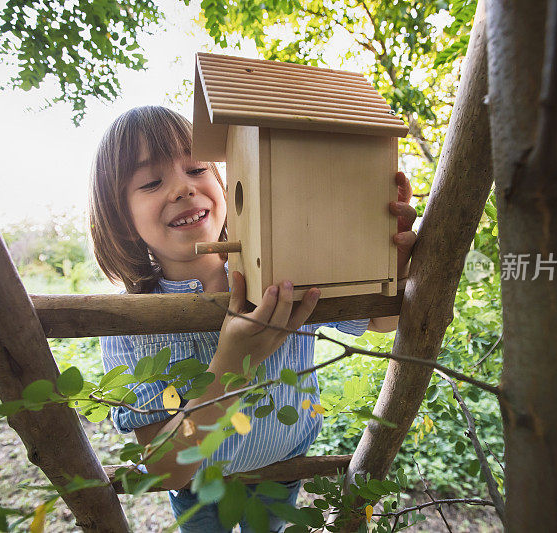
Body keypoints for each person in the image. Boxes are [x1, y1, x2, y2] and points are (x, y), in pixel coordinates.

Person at [88, 106, 416, 532]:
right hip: (199, 487)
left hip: (283, 470)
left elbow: (380, 322)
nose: (183, 189)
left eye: (197, 168)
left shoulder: (283, 266)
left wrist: (389, 258)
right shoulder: (131, 321)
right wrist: (229, 368)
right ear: (122, 221)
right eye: (152, 181)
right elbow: (165, 470)